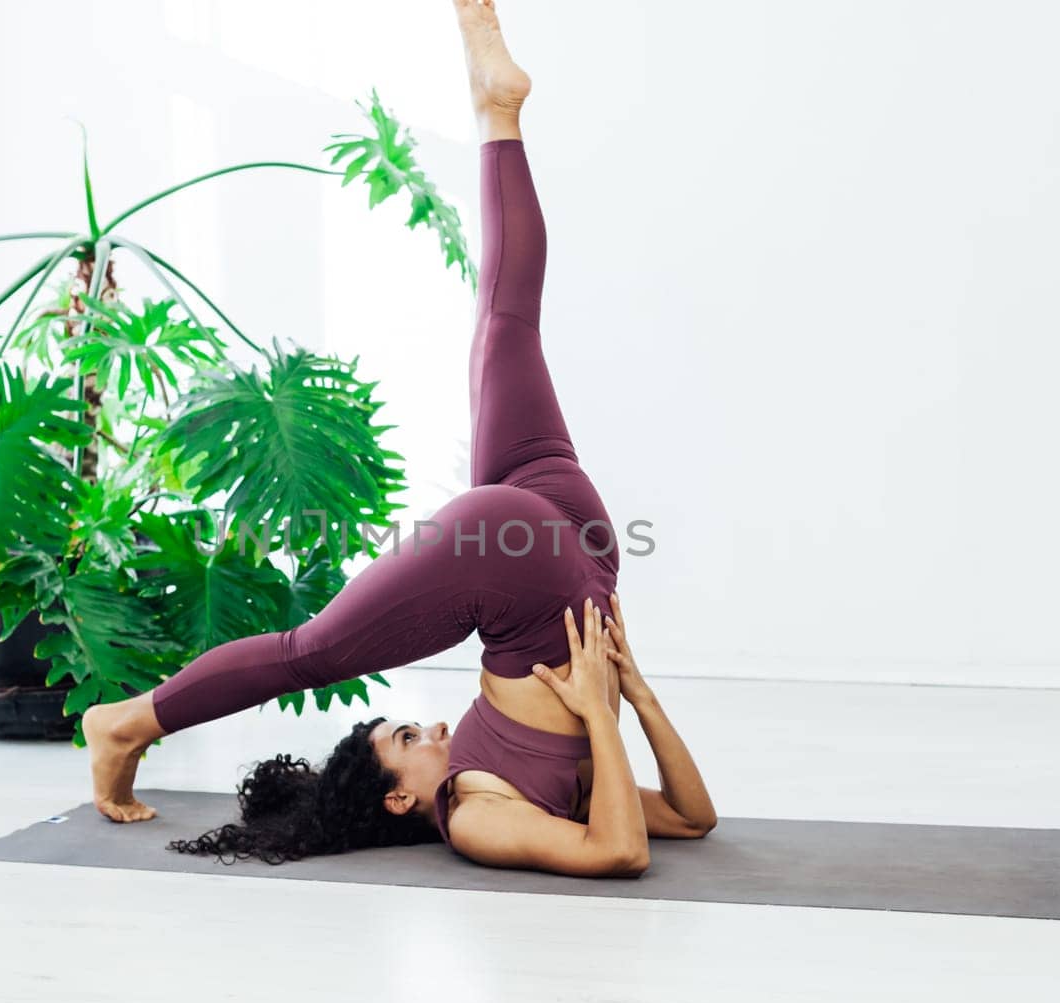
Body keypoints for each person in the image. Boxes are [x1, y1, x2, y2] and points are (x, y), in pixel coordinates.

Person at [83, 0, 716, 876]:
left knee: (506, 327)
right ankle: (123, 720)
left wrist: (607, 710)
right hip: (552, 571)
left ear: (395, 798)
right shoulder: (474, 816)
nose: (441, 727)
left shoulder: (484, 793)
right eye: (414, 734)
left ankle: (497, 113)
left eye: (410, 730)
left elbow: (659, 825)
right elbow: (642, 843)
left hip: (568, 564)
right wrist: (625, 700)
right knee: (312, 648)